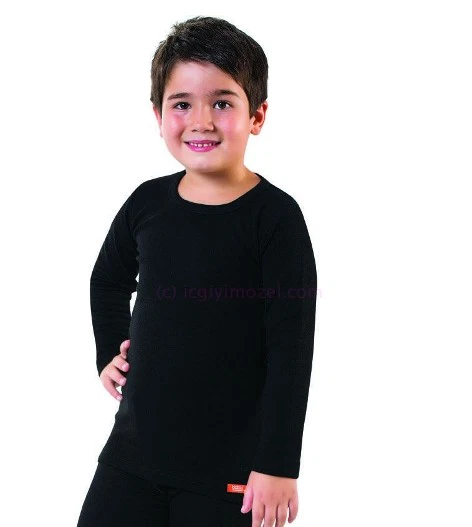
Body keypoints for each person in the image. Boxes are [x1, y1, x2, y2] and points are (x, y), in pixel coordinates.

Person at [76, 15, 318, 527]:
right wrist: (108, 351)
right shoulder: (147, 203)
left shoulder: (275, 219)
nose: (201, 121)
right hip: (132, 455)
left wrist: (278, 465)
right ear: (158, 114)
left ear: (257, 115)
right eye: (182, 103)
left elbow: (291, 349)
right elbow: (107, 280)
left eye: (222, 103)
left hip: (227, 472)